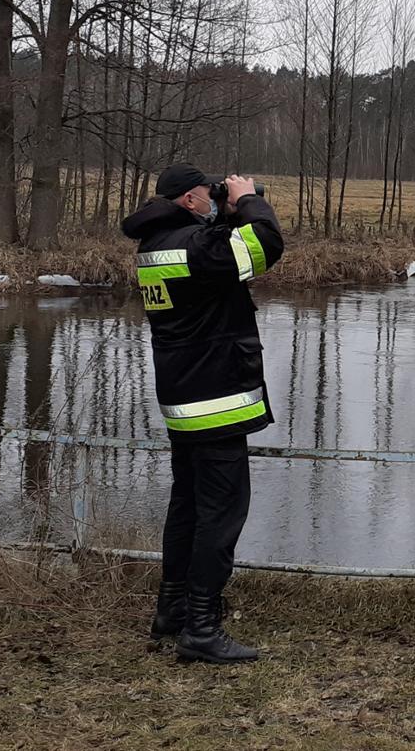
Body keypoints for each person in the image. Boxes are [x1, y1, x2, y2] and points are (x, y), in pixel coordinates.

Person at [121, 163, 284, 664]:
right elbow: (265, 244)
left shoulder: (158, 245)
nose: (215, 199)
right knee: (221, 514)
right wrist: (249, 201)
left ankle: (172, 611)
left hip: (183, 397)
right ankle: (202, 628)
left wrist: (226, 213)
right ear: (191, 199)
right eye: (208, 194)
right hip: (217, 399)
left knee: (187, 508)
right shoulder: (195, 247)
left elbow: (216, 258)